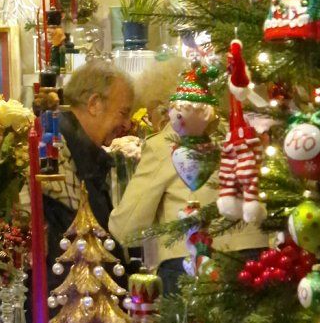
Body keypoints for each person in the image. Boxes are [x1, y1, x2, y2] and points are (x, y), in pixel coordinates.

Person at [112, 58, 272, 293]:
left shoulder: (165, 145)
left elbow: (126, 229)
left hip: (192, 264)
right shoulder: (240, 136)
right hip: (255, 260)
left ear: (164, 108)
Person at [43, 59, 133, 250]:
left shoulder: (83, 151)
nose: (127, 124)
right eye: (123, 113)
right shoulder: (54, 151)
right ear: (94, 104)